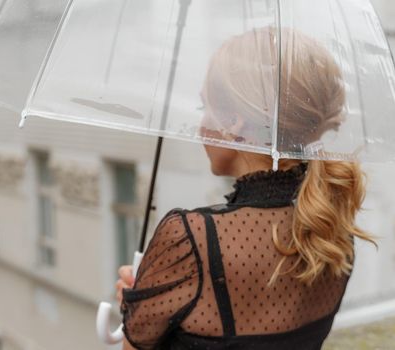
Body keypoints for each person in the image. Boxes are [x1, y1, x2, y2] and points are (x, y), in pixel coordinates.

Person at [115, 27, 378, 350]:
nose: (200, 125)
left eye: (204, 108)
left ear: (234, 123)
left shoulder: (191, 237)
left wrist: (140, 304)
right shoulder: (331, 228)